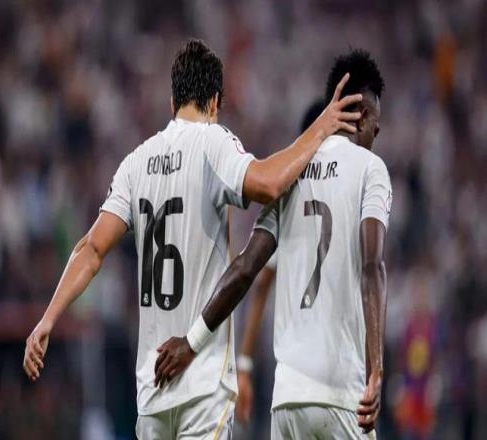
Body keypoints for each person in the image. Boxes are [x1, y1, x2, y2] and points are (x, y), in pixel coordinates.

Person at [22, 39, 362, 439]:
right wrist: (321, 128)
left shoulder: (136, 163)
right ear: (215, 102)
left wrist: (47, 319)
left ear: (172, 101)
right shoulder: (213, 143)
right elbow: (269, 183)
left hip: (152, 390)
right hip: (202, 385)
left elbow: (91, 249)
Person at [154, 49, 392, 439]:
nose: (374, 138)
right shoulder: (371, 169)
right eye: (376, 128)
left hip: (288, 400)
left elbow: (247, 268)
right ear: (362, 114)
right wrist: (377, 371)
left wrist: (192, 341)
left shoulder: (290, 176)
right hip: (342, 393)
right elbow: (372, 267)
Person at [235, 98, 326, 427]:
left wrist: (243, 364)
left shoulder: (285, 195)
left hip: (291, 376)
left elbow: (259, 281)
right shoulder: (354, 192)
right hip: (337, 374)